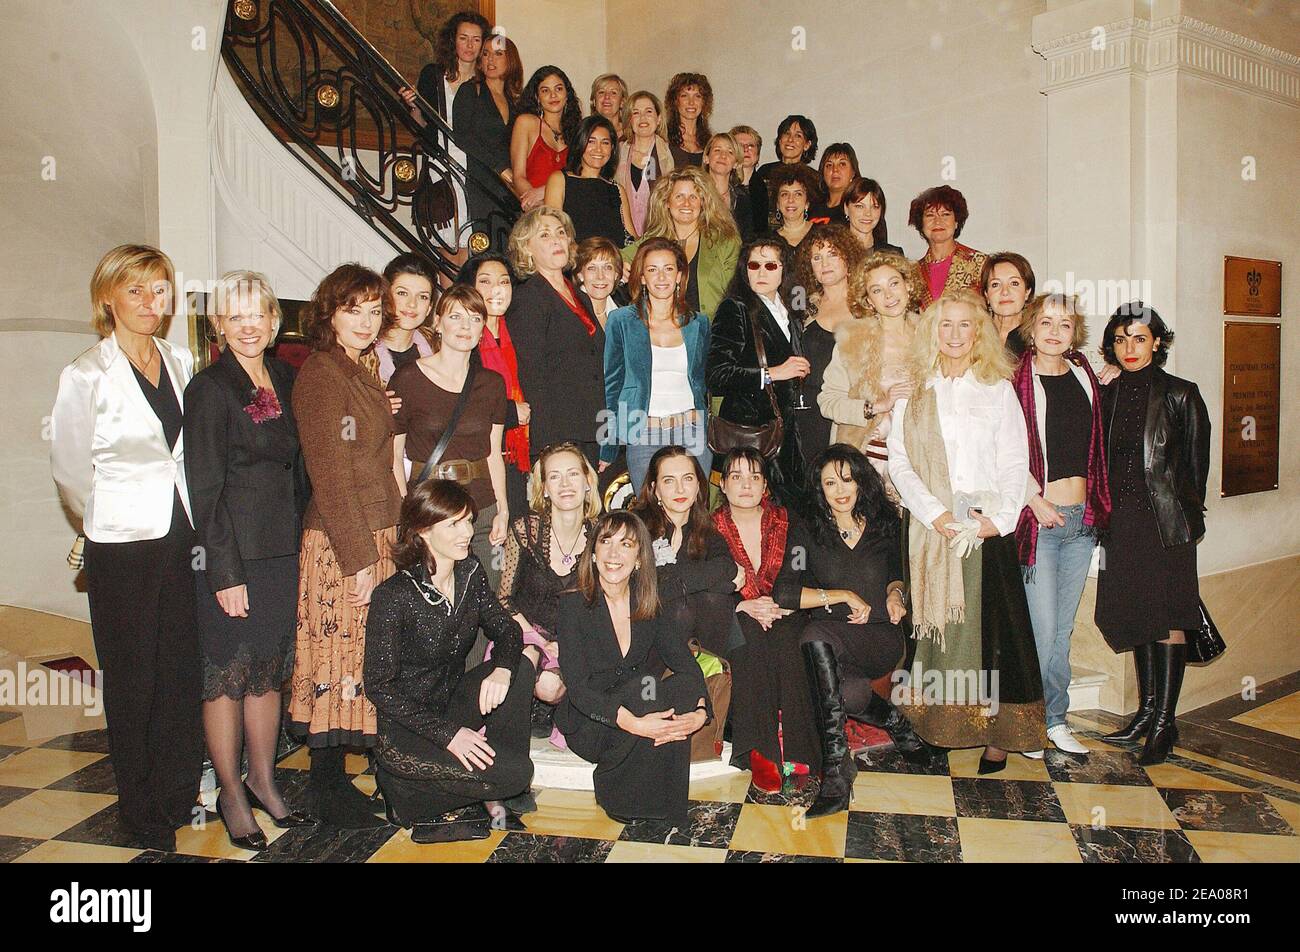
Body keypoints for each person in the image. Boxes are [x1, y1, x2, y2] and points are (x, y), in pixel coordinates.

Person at [50, 244, 203, 852]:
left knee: (179, 673)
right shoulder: (85, 373)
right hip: (120, 546)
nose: (149, 302)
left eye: (159, 289)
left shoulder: (180, 358)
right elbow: (67, 468)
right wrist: (105, 521)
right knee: (134, 678)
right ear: (107, 297)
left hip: (182, 536)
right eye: (134, 290)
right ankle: (140, 808)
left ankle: (175, 792)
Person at [887, 289, 1046, 774]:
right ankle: (937, 729)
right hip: (931, 529)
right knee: (939, 640)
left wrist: (992, 524)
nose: (954, 334)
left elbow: (1015, 463)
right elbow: (900, 462)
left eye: (964, 325)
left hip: (984, 530)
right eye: (945, 324)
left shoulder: (997, 388)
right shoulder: (914, 391)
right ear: (931, 331)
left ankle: (998, 736)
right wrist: (934, 513)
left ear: (979, 332)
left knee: (994, 636)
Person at [185, 271, 317, 851]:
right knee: (227, 679)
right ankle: (231, 792)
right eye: (234, 316)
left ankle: (264, 778)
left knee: (266, 671)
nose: (247, 325)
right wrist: (224, 573)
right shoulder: (210, 389)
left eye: (257, 314)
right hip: (232, 556)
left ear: (273, 320)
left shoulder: (287, 377)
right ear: (219, 325)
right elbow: (204, 487)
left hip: (281, 550)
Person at [288, 263, 402, 828]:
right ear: (329, 312)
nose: (364, 320)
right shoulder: (321, 374)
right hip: (342, 540)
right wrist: (359, 559)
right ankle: (326, 788)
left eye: (373, 310)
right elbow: (330, 475)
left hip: (374, 531)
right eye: (352, 308)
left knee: (368, 655)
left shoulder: (361, 366)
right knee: (338, 655)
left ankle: (372, 775)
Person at [365, 479, 537, 843]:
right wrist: (450, 736)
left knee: (520, 666)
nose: (468, 532)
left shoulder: (470, 572)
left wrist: (503, 670)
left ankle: (482, 788)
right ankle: (405, 791)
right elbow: (379, 687)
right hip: (408, 733)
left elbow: (508, 631)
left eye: (469, 521)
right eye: (454, 524)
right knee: (518, 774)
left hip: (452, 706)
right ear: (423, 531)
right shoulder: (393, 596)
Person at [773, 445, 925, 816]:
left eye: (847, 479)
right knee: (851, 693)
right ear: (819, 489)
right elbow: (785, 591)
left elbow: (897, 577)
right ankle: (877, 738)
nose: (840, 490)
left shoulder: (885, 524)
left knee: (814, 640)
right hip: (832, 634)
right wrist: (841, 594)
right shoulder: (807, 532)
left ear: (861, 482)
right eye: (829, 482)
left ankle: (846, 765)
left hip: (879, 636)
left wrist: (896, 597)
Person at [1095, 302, 1209, 766]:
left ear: (1157, 342)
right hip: (1121, 524)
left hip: (1166, 525)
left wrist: (1181, 521)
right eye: (1121, 339)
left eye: (1139, 338)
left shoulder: (1182, 394)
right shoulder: (1109, 393)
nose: (1130, 348)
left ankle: (1165, 721)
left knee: (1168, 619)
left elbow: (1195, 472)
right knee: (1140, 614)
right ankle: (1145, 713)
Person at [555, 510, 711, 826]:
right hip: (593, 723)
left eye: (626, 544)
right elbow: (579, 689)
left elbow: (686, 666)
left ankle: (663, 797)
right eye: (606, 542)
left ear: (639, 557)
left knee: (675, 689)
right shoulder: (573, 604)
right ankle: (617, 793)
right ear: (594, 553)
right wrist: (633, 723)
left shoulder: (648, 603)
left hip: (638, 708)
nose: (614, 554)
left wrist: (700, 713)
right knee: (645, 693)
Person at [1012, 294, 1110, 758]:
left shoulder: (1086, 377)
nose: (1054, 330)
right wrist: (1034, 499)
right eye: (1046, 321)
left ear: (1075, 333)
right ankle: (1032, 722)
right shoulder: (1014, 380)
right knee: (1041, 630)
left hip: (1081, 522)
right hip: (1040, 523)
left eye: (1064, 324)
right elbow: (1004, 452)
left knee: (1062, 632)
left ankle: (1055, 719)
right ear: (1031, 328)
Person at [390, 283, 510, 599]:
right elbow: (393, 456)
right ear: (438, 322)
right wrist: (407, 510)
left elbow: (494, 453)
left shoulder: (493, 384)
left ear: (483, 327)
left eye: (474, 318)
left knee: (485, 602)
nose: (464, 327)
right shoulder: (407, 378)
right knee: (431, 606)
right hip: (431, 509)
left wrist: (504, 507)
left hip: (481, 508)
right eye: (455, 317)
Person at [712, 448, 820, 790]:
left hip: (783, 608)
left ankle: (801, 753)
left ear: (765, 486)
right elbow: (707, 584)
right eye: (737, 477)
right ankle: (759, 754)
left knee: (790, 643)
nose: (746, 485)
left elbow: (801, 567)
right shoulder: (709, 529)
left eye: (754, 477)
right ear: (724, 485)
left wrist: (783, 602)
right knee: (749, 639)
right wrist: (740, 606)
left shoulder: (787, 521)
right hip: (735, 612)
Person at [498, 442, 602, 750]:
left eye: (573, 474)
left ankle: (556, 705)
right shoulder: (526, 530)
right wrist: (537, 641)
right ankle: (529, 707)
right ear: (543, 488)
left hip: (580, 640)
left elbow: (610, 604)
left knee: (552, 684)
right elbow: (504, 599)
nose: (565, 484)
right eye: (554, 477)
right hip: (526, 632)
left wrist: (568, 642)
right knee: (529, 663)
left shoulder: (603, 534)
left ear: (587, 483)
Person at [707, 238, 810, 510]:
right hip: (750, 436)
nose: (762, 272)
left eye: (770, 265)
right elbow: (717, 375)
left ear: (783, 270)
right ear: (745, 270)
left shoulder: (790, 310)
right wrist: (771, 373)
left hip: (786, 437)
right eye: (754, 265)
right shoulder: (735, 308)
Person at [602, 238, 712, 491]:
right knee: (650, 519)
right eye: (652, 269)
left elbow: (702, 381)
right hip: (643, 433)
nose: (661, 277)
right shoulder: (620, 321)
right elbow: (611, 386)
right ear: (641, 277)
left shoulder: (699, 323)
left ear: (679, 276)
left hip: (691, 431)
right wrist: (607, 445)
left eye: (669, 269)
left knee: (694, 518)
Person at [506, 206, 605, 467]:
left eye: (561, 233)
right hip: (559, 434)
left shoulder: (580, 295)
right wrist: (549, 443)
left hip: (592, 429)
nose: (557, 240)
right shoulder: (529, 298)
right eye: (545, 235)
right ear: (527, 248)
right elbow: (531, 373)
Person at [819, 250, 921, 485]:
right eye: (877, 290)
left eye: (894, 283)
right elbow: (828, 401)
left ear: (908, 286)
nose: (888, 295)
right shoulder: (854, 340)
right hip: (865, 461)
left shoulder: (931, 335)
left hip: (917, 461)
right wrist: (876, 406)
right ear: (868, 300)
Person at [400, 11, 490, 252]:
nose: (470, 45)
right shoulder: (432, 75)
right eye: (464, 38)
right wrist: (413, 107)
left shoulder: (488, 82)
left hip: (476, 168)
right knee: (446, 243)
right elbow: (422, 127)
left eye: (476, 39)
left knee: (473, 242)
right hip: (441, 166)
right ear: (453, 40)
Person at [457, 252, 531, 518]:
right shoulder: (464, 338)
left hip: (515, 457)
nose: (496, 289)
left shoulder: (519, 332)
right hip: (479, 458)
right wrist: (511, 411)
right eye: (485, 282)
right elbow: (464, 400)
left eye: (504, 281)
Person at [621, 166, 741, 319]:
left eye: (693, 197)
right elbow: (614, 257)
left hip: (709, 331)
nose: (686, 203)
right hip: (661, 332)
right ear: (667, 202)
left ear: (703, 203)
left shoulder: (725, 241)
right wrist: (621, 265)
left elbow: (735, 293)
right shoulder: (653, 241)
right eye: (679, 196)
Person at [790, 224, 863, 462]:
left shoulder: (867, 304)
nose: (824, 263)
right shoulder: (805, 305)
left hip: (850, 409)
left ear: (848, 256)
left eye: (832, 254)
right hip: (809, 409)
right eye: (817, 257)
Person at [451, 32, 523, 239]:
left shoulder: (516, 100)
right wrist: (499, 168)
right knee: (487, 244)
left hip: (512, 186)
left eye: (498, 54)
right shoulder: (470, 91)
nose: (490, 59)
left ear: (511, 60)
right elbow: (463, 136)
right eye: (485, 53)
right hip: (483, 180)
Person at [543, 114, 634, 243]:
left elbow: (631, 237)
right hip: (576, 259)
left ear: (612, 148)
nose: (598, 149)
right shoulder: (559, 179)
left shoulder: (617, 189)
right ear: (580, 143)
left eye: (605, 143)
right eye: (591, 141)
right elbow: (553, 230)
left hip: (615, 259)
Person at [510, 66, 581, 212]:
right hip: (535, 211)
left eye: (558, 89)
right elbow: (519, 177)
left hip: (571, 209)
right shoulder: (526, 123)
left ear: (567, 94)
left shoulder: (578, 130)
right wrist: (540, 206)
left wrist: (546, 190)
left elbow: (581, 177)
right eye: (545, 90)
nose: (553, 95)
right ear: (537, 97)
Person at [909, 185, 987, 309]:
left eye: (945, 214)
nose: (937, 221)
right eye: (930, 215)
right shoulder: (913, 272)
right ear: (921, 224)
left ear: (956, 222)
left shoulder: (979, 263)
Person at [368, 253, 439, 386]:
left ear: (429, 308)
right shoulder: (363, 352)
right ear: (386, 296)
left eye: (422, 297)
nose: (412, 304)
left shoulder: (438, 349)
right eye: (402, 293)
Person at [616, 91, 675, 238]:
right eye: (636, 113)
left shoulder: (674, 156)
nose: (642, 118)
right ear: (630, 120)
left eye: (648, 111)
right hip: (622, 237)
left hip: (661, 236)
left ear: (659, 118)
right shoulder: (616, 153)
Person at [748, 114, 818, 237]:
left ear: (807, 144)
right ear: (780, 140)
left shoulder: (814, 179)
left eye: (798, 135)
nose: (790, 140)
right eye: (786, 133)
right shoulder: (764, 172)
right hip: (766, 239)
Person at [981, 251, 1036, 360]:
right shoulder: (974, 335)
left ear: (1027, 292)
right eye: (995, 284)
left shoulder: (1037, 338)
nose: (1005, 291)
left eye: (1014, 283)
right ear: (986, 295)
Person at [703, 132, 754, 241]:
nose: (723, 156)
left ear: (736, 164)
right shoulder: (695, 194)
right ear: (706, 158)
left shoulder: (743, 199)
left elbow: (747, 240)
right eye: (717, 150)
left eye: (730, 152)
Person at [767, 163, 827, 253]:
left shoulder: (822, 234)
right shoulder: (770, 241)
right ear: (777, 204)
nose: (790, 200)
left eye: (798, 194)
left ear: (807, 203)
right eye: (784, 194)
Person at [843, 176, 905, 256]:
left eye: (874, 207)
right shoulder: (834, 252)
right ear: (846, 208)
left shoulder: (893, 254)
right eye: (860, 206)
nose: (868, 213)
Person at [575, 236, 626, 329]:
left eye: (607, 267)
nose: (600, 276)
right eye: (592, 268)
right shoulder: (571, 316)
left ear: (616, 274)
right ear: (580, 275)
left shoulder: (624, 315)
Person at [664, 71, 713, 167]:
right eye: (684, 96)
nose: (691, 102)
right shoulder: (663, 138)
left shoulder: (711, 142)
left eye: (697, 96)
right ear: (675, 101)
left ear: (704, 102)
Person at [813, 143, 860, 224]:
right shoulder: (811, 207)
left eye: (842, 164)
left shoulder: (860, 209)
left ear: (853, 172)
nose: (835, 169)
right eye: (829, 165)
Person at [589, 73, 628, 138]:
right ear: (594, 101)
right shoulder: (585, 131)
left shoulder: (631, 134)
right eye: (601, 92)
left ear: (622, 102)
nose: (607, 96)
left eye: (613, 93)